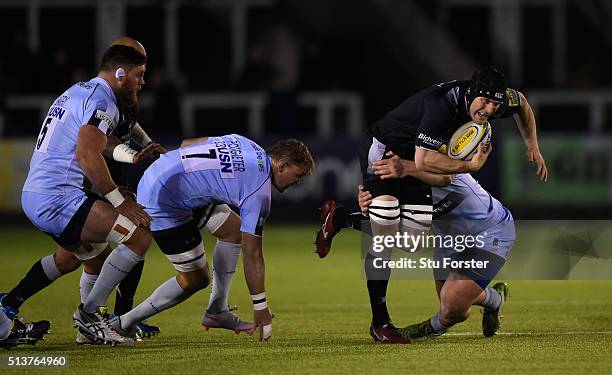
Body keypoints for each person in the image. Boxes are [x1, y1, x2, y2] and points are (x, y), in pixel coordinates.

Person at [315, 66, 547, 343]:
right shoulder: (440, 112)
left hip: (485, 231)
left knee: (411, 243)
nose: (488, 109)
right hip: (387, 148)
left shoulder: (443, 157)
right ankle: (380, 323)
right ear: (471, 94)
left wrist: (532, 144)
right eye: (484, 101)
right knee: (386, 234)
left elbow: (520, 102)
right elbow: (427, 165)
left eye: (495, 104)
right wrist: (469, 165)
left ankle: (341, 219)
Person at [0, 38, 165, 346]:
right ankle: (91, 318)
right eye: (139, 74)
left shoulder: (78, 91)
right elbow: (88, 155)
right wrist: (118, 202)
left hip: (38, 193)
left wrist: (126, 166)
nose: (143, 81)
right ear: (119, 74)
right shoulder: (103, 100)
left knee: (86, 259)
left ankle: (17, 305)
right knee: (139, 233)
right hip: (58, 198)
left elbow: (94, 145)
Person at [107, 135, 314, 342]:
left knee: (233, 231)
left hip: (162, 172)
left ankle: (217, 310)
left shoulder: (245, 143)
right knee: (196, 279)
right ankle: (122, 323)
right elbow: (253, 254)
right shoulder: (259, 193)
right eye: (298, 175)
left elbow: (186, 143)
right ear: (283, 165)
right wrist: (260, 306)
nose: (298, 182)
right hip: (162, 199)